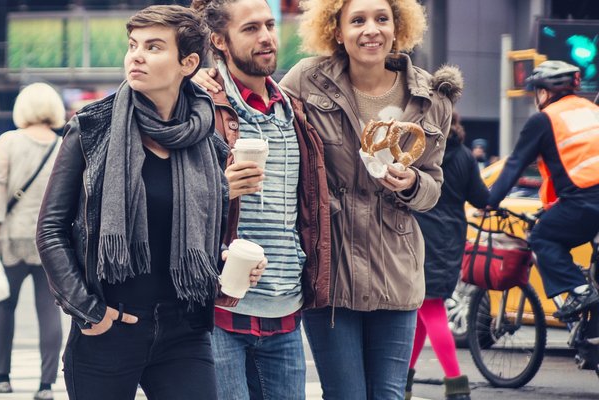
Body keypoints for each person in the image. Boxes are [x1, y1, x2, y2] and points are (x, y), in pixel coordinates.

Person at [193, 0, 457, 397]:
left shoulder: (431, 97)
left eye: (382, 19)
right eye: (358, 20)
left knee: (388, 394)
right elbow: (251, 99)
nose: (371, 30)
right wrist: (200, 76)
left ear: (398, 25)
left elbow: (433, 187)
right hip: (332, 274)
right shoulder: (308, 80)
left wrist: (412, 183)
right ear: (336, 29)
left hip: (396, 270)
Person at [37, 6, 265, 399]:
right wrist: (90, 313)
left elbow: (202, 235)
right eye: (133, 45)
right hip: (109, 329)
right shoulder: (90, 128)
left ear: (187, 63)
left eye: (153, 47)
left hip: (184, 330)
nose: (136, 56)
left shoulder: (207, 142)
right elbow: (50, 229)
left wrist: (227, 260)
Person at [189, 1, 331, 399]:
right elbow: (168, 193)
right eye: (251, 28)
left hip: (285, 309)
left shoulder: (293, 110)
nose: (267, 37)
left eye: (269, 25)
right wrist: (220, 187)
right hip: (220, 310)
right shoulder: (199, 103)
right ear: (219, 40)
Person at [0, 82, 66, 400]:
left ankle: (3, 377)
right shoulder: (62, 144)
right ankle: (46, 385)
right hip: (49, 239)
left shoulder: (9, 141)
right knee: (49, 310)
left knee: (4, 304)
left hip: (10, 237)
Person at [486, 60, 599, 321]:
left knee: (542, 237)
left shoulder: (545, 119)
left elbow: (515, 164)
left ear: (545, 92)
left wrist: (490, 201)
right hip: (582, 200)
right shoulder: (592, 110)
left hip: (585, 200)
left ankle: (580, 290)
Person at [409, 112, 485, 400]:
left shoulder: (419, 151)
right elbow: (481, 198)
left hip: (419, 234)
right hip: (450, 237)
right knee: (424, 309)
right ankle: (402, 383)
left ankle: (456, 386)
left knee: (429, 307)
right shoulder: (465, 156)